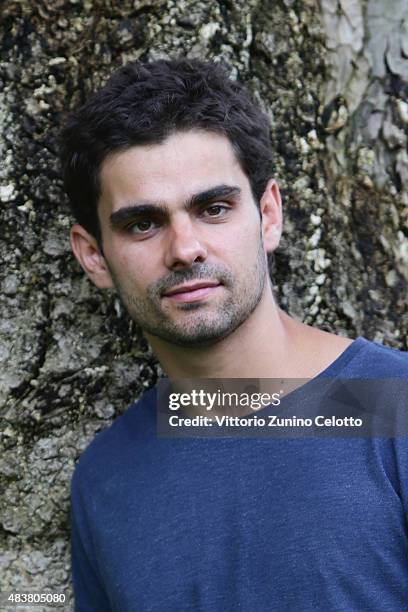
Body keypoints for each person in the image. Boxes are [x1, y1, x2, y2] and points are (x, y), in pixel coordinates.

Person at [61, 58, 408, 611]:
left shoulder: (394, 407)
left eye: (213, 208)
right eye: (142, 223)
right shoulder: (107, 479)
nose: (184, 248)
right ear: (94, 256)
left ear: (268, 215)